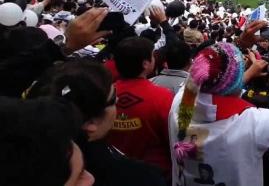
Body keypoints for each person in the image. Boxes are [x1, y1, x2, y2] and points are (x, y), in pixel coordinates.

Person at [169, 23, 269, 186]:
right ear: (237, 85)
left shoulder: (179, 104)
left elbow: (199, 74)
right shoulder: (252, 124)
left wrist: (239, 45)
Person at [27, 59, 167, 186]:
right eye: (113, 98)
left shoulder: (20, 159)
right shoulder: (140, 178)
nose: (117, 100)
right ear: (90, 123)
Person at [107, 37, 174, 179]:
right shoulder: (163, 96)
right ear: (145, 64)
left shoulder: (104, 94)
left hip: (112, 171)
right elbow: (173, 138)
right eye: (152, 56)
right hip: (154, 174)